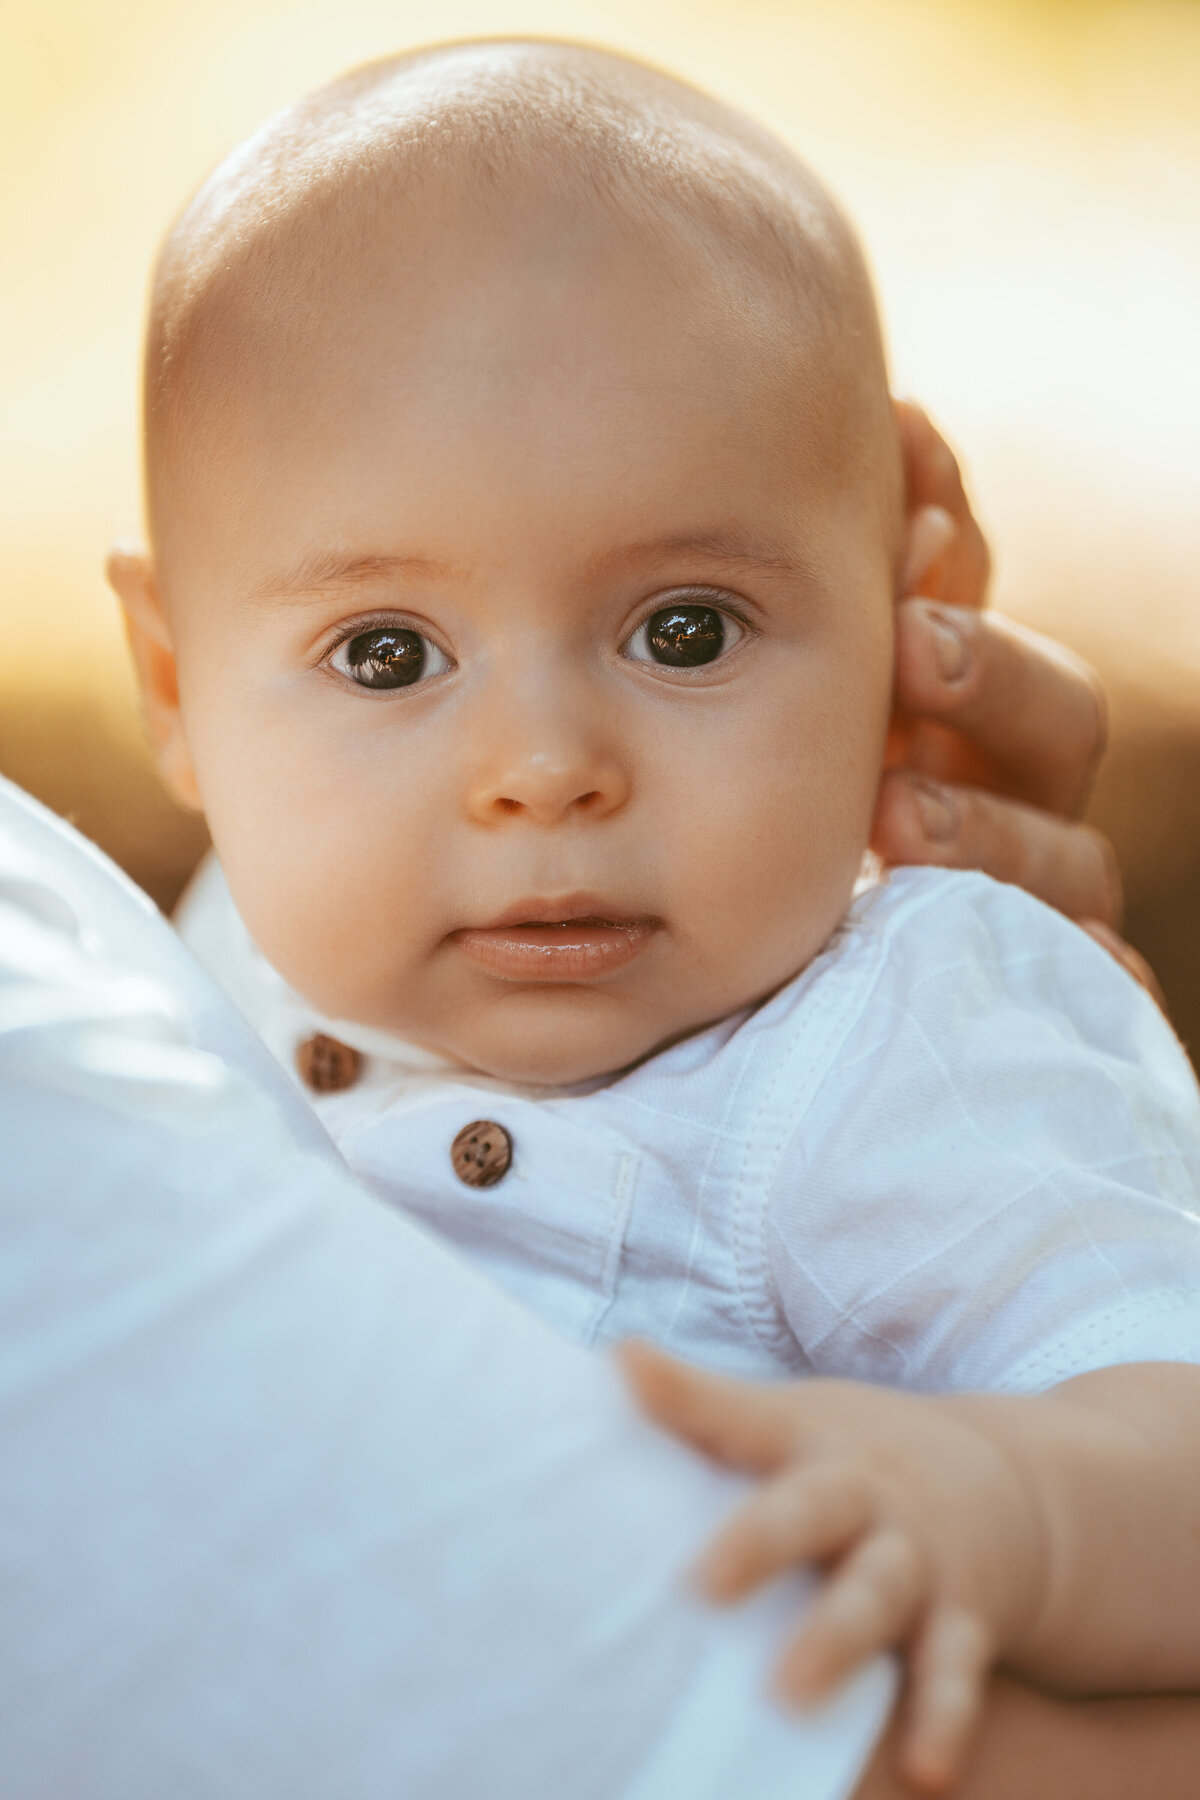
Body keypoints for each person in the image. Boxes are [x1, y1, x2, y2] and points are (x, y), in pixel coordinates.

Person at [103, 38, 1200, 1790]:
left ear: (907, 615)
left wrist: (1003, 1502)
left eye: (683, 629)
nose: (543, 769)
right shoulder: (195, 961)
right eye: (387, 654)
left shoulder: (901, 1033)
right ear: (176, 685)